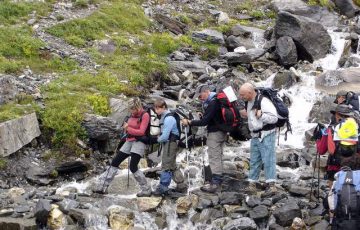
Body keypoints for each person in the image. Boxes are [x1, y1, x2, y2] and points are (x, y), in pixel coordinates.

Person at [93, 97, 151, 196]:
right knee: (115, 162)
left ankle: (146, 189)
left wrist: (128, 128)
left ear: (138, 107)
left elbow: (141, 132)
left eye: (133, 109)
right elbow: (128, 129)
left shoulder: (145, 115)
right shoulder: (131, 115)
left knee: (133, 166)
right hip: (129, 140)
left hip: (140, 141)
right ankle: (102, 186)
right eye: (130, 109)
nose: (131, 111)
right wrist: (126, 130)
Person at [182, 84, 226, 193]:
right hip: (222, 132)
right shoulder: (216, 100)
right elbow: (211, 117)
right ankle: (218, 180)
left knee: (214, 156)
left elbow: (204, 122)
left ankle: (215, 183)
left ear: (206, 91)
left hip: (215, 133)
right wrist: (204, 115)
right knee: (218, 155)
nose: (200, 98)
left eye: (201, 95)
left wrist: (190, 122)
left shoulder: (213, 102)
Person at [238, 83, 278, 193]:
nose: (241, 97)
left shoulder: (263, 101)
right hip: (255, 135)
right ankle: (252, 183)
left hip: (266, 134)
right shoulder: (249, 101)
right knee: (254, 159)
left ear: (250, 93)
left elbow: (274, 118)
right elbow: (251, 115)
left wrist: (262, 116)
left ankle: (271, 184)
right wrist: (245, 114)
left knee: (268, 159)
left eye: (243, 95)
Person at [152, 98, 187, 196]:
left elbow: (165, 136)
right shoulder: (166, 116)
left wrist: (156, 140)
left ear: (163, 107)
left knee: (166, 165)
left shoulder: (168, 118)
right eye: (155, 109)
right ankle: (182, 186)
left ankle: (163, 187)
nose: (156, 111)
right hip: (172, 143)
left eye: (158, 109)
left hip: (170, 143)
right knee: (172, 166)